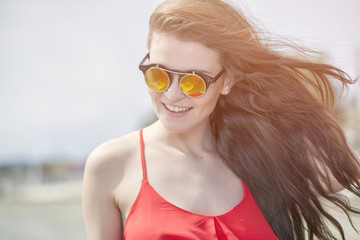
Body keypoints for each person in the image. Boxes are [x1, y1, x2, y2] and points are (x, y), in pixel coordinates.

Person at [82, 0, 360, 239]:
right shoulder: (110, 166)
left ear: (227, 80)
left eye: (194, 81)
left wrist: (302, 110)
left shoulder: (267, 156)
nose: (172, 94)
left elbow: (342, 170)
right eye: (158, 75)